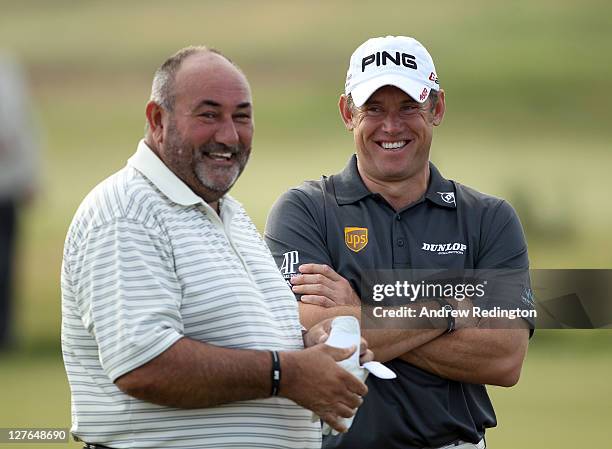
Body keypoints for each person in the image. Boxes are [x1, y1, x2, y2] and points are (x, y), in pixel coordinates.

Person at [61, 46, 371, 449]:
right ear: (158, 120)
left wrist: (310, 348)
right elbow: (143, 365)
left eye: (241, 116)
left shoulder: (231, 215)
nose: (228, 135)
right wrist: (287, 372)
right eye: (209, 115)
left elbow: (247, 343)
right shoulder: (127, 212)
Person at [264, 36, 534, 449]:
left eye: (409, 107)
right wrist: (444, 309)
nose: (391, 126)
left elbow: (504, 357)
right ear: (347, 113)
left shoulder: (489, 217)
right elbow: (311, 332)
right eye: (373, 108)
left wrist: (354, 312)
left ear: (437, 108)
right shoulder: (304, 210)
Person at [0, 51, 39, 351]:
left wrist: (29, 175)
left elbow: (25, 129)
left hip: (7, 185)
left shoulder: (7, 71)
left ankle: (4, 332)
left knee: (5, 264)